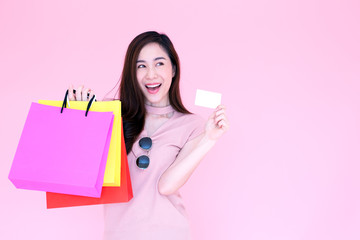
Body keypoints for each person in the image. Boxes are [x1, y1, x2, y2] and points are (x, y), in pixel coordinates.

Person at [68, 31, 229, 240]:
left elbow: (167, 185)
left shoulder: (192, 125)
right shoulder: (111, 113)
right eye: (141, 66)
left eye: (159, 64)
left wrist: (209, 138)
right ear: (132, 73)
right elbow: (82, 169)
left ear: (173, 69)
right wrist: (80, 115)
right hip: (118, 234)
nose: (151, 74)